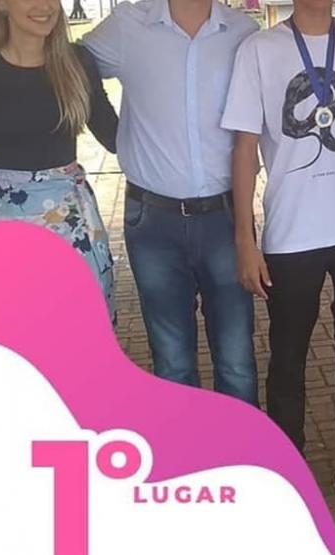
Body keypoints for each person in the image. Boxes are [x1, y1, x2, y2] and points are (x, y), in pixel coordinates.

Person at [222, 0, 335, 509]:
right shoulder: (259, 49)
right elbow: (244, 148)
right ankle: (286, 460)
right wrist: (244, 239)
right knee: (289, 355)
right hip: (292, 233)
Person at [82, 0, 261, 405]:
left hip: (224, 219)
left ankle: (244, 460)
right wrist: (110, 130)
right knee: (172, 363)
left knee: (236, 361)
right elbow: (69, 68)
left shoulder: (243, 33)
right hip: (153, 224)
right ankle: (186, 460)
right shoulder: (128, 25)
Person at [0, 0, 117, 320]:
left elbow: (116, 138)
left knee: (82, 336)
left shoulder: (77, 61)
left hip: (74, 226)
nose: (44, 5)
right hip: (6, 224)